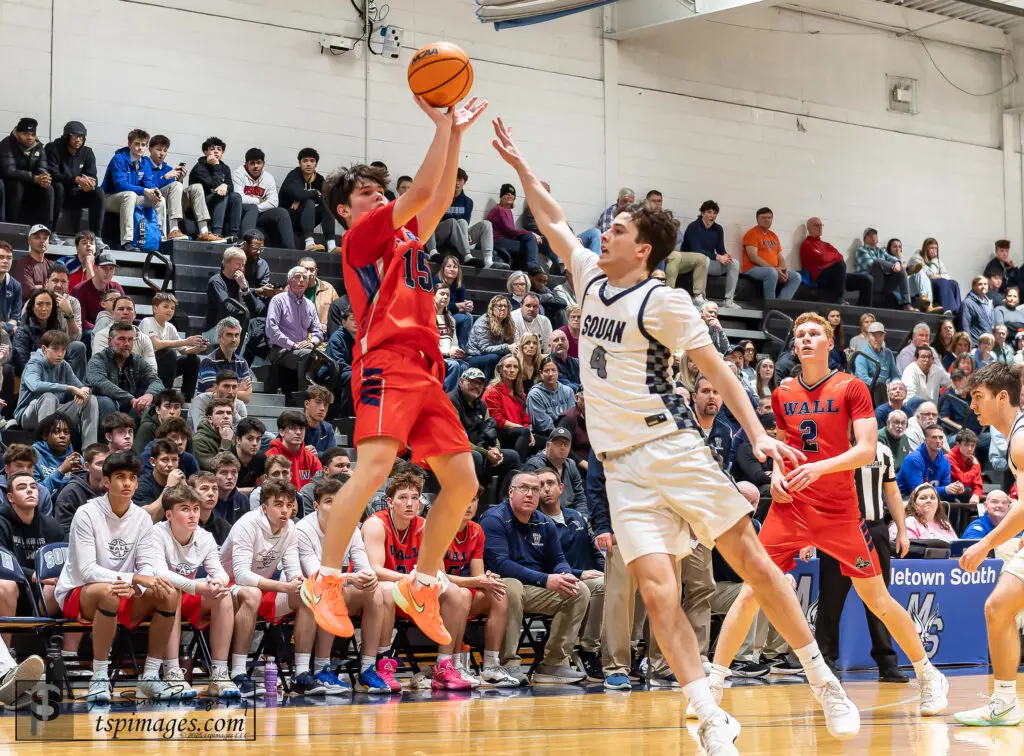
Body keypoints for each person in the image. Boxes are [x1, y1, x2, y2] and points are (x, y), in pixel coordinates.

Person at [493, 120, 865, 746]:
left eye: (617, 229)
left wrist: (757, 435)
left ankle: (821, 679)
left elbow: (717, 370)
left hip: (672, 447)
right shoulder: (588, 274)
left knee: (751, 561)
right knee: (657, 591)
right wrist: (523, 166)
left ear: (642, 249)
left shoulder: (664, 302)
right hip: (619, 466)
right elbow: (553, 218)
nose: (603, 232)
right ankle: (708, 712)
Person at [302, 96, 488, 653]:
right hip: (383, 360)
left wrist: (454, 136)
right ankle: (326, 579)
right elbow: (424, 192)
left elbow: (443, 194)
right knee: (376, 466)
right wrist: (442, 125)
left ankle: (424, 585)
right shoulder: (360, 238)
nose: (378, 195)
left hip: (427, 369)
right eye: (366, 192)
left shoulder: (406, 237)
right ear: (345, 209)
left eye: (381, 191)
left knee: (463, 483)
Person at [708, 312, 948, 723]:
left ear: (830, 340)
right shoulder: (783, 391)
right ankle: (712, 685)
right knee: (752, 591)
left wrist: (818, 468)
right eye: (799, 334)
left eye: (814, 333)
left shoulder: (850, 387)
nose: (804, 339)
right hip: (791, 509)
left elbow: (866, 450)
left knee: (878, 599)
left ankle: (928, 673)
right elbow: (783, 445)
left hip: (839, 511)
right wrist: (780, 476)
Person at [55, 452, 180, 703]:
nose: (127, 483)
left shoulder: (142, 517)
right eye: (120, 477)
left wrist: (138, 584)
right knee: (109, 591)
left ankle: (151, 676)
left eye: (132, 478)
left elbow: (147, 564)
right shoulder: (86, 513)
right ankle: (99, 677)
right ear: (107, 482)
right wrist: (133, 579)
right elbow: (88, 570)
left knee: (168, 594)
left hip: (124, 590)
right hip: (79, 592)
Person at [951, 363, 1024, 724]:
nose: (973, 405)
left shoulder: (1022, 439)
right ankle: (1006, 701)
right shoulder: (1015, 436)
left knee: (998, 608)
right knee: (998, 608)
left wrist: (984, 545)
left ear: (1003, 397)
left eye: (979, 397)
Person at [361, 471, 473, 690]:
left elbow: (439, 571)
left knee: (458, 593)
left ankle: (444, 665)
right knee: (386, 589)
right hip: (378, 593)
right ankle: (384, 664)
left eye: (415, 498)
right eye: (403, 498)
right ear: (390, 501)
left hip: (414, 592)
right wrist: (410, 578)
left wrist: (426, 581)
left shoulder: (425, 525)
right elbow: (375, 570)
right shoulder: (375, 524)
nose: (410, 503)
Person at [480, 471, 590, 685]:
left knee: (579, 591)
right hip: (497, 589)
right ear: (511, 492)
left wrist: (565, 574)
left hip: (534, 588)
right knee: (510, 586)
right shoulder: (494, 519)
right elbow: (500, 564)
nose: (530, 494)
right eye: (524, 488)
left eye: (535, 489)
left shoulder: (545, 523)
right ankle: (508, 663)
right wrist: (546, 580)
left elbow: (557, 558)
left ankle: (553, 663)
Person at [814, 442, 909, 683]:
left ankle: (887, 664)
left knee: (880, 599)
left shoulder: (883, 451)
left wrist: (902, 530)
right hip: (838, 530)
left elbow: (892, 491)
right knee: (831, 599)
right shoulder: (832, 448)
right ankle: (825, 661)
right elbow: (818, 493)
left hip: (875, 528)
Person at [295, 477, 394, 694]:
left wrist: (368, 577)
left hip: (335, 590)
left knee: (374, 591)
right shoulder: (303, 529)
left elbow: (364, 565)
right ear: (316, 505)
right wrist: (350, 578)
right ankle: (322, 669)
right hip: (303, 594)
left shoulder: (351, 529)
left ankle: (367, 670)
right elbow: (315, 574)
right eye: (330, 501)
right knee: (331, 589)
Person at [151, 483, 240, 698]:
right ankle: (172, 672)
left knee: (223, 594)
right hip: (152, 599)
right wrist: (198, 587)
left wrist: (217, 582)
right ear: (169, 514)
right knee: (172, 592)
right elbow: (158, 572)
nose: (193, 515)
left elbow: (220, 571)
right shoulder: (155, 534)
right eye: (185, 509)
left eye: (196, 509)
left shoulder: (204, 537)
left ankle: (219, 675)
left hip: (186, 596)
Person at [219, 478, 303, 697]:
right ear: (264, 508)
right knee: (252, 593)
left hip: (263, 586)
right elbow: (241, 575)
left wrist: (298, 583)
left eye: (289, 504)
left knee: (306, 595)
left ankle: (303, 672)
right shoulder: (248, 524)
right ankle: (238, 672)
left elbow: (293, 569)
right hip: (226, 587)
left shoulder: (291, 528)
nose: (285, 510)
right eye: (278, 504)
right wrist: (285, 586)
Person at [442, 489, 520, 686]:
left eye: (473, 500)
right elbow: (439, 577)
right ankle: (455, 664)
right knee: (461, 595)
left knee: (498, 592)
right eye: (463, 499)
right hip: (437, 594)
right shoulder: (438, 528)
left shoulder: (476, 530)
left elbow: (478, 574)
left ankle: (492, 665)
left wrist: (487, 578)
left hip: (462, 591)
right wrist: (477, 581)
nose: (468, 505)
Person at [534, 465, 605, 681]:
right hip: (563, 581)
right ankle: (588, 651)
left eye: (550, 484)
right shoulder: (534, 522)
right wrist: (579, 573)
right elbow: (541, 563)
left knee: (617, 584)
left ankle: (626, 653)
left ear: (561, 487)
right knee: (601, 586)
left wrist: (608, 572)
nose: (546, 489)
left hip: (589, 578)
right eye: (540, 486)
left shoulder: (577, 517)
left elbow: (597, 551)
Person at [448, 368, 521, 503]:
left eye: (480, 384)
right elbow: (458, 439)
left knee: (512, 457)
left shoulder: (481, 404)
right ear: (461, 381)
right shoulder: (450, 402)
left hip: (479, 448)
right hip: (453, 450)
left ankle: (504, 503)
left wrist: (496, 450)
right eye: (472, 382)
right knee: (475, 457)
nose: (477, 386)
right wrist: (485, 453)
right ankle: (468, 504)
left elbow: (491, 430)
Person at [15, 329, 99, 445]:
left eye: (63, 350)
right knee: (48, 397)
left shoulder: (64, 365)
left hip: (55, 411)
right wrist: (68, 388)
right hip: (28, 415)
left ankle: (90, 452)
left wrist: (85, 390)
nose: (60, 354)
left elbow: (80, 387)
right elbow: (35, 385)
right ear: (44, 349)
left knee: (90, 399)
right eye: (55, 349)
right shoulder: (34, 363)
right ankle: (47, 449)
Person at [142, 134, 218, 242]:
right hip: (153, 198)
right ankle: (173, 229)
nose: (162, 153)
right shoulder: (144, 164)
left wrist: (180, 179)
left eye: (165, 150)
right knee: (176, 185)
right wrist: (166, 177)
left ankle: (204, 231)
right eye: (158, 149)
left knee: (196, 187)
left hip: (171, 201)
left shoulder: (167, 168)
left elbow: (174, 190)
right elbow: (148, 187)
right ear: (150, 149)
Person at [100, 129, 167, 251]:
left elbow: (148, 182)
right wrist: (144, 191)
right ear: (130, 144)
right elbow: (121, 185)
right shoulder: (119, 159)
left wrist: (154, 191)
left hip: (133, 198)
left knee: (160, 200)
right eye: (137, 144)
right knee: (129, 195)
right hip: (110, 198)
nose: (140, 148)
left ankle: (160, 239)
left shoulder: (145, 162)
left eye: (143, 145)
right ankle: (127, 241)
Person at [86, 321, 164, 417]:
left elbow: (156, 381)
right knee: (108, 403)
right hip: (101, 404)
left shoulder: (137, 360)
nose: (127, 344)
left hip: (130, 403)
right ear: (109, 341)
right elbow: (101, 383)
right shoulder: (98, 360)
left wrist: (149, 395)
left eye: (130, 339)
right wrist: (130, 399)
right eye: (122, 339)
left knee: (144, 407)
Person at [45, 120, 104, 238]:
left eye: (81, 137)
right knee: (58, 187)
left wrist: (90, 183)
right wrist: (76, 179)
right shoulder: (53, 148)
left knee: (98, 192)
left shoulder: (87, 152)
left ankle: (96, 237)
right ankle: (51, 232)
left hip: (76, 194)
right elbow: (53, 174)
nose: (78, 140)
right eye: (75, 136)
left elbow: (92, 175)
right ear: (67, 136)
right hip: (58, 194)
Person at [265, 266, 323, 385]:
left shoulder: (310, 305)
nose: (302, 280)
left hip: (303, 348)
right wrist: (293, 345)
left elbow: (318, 330)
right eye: (297, 277)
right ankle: (306, 395)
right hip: (281, 349)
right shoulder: (278, 300)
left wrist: (312, 342)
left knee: (319, 356)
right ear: (289, 281)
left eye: (305, 278)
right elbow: (271, 330)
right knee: (308, 355)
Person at [140, 292, 202, 401]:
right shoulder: (147, 321)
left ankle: (187, 399)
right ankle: (166, 396)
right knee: (169, 353)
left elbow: (185, 351)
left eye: (172, 308)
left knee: (193, 359)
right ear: (155, 309)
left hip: (166, 367)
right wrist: (186, 341)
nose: (170, 310)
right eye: (166, 307)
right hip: (148, 367)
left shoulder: (170, 327)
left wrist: (198, 348)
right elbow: (157, 344)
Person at [680, 200, 740, 309]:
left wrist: (726, 256)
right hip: (691, 263)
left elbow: (720, 249)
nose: (712, 215)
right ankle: (700, 296)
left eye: (714, 213)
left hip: (708, 263)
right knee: (704, 259)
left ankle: (728, 300)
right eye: (709, 212)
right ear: (702, 213)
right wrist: (717, 257)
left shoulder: (718, 229)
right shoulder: (694, 227)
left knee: (734, 263)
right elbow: (695, 250)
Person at [799, 217, 871, 305]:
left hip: (836, 275)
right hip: (819, 277)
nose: (820, 227)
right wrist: (832, 259)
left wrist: (829, 259)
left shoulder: (826, 244)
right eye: (816, 225)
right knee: (840, 265)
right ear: (809, 228)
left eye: (821, 225)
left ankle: (865, 312)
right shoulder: (807, 244)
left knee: (866, 279)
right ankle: (839, 299)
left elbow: (840, 257)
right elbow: (823, 258)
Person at [232, 147, 294, 248]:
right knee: (252, 208)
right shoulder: (238, 174)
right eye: (252, 163)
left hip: (260, 213)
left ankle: (291, 250)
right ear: (246, 164)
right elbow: (239, 198)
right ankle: (246, 246)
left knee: (282, 212)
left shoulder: (268, 177)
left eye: (258, 163)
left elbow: (274, 202)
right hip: (243, 213)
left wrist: (257, 207)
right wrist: (257, 201)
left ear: (263, 164)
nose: (256, 166)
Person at [280, 147, 338, 252]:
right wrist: (314, 193)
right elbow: (299, 194)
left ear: (316, 164)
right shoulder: (294, 175)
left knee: (326, 205)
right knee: (309, 201)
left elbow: (326, 199)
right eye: (305, 161)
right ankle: (309, 242)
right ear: (300, 163)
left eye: (312, 161)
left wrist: (303, 197)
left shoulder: (319, 179)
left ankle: (331, 245)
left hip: (307, 219)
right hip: (290, 218)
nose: (308, 164)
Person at [523, 427, 589, 517]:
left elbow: (580, 497)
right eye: (558, 443)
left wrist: (583, 518)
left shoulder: (571, 464)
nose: (562, 447)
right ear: (548, 445)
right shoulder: (534, 465)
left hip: (571, 515)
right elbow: (529, 500)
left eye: (566, 444)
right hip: (545, 517)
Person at [1, 117, 54, 228]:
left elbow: (42, 167)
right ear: (18, 133)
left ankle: (46, 228)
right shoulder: (7, 143)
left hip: (30, 183)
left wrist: (43, 177)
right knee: (17, 185)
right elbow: (9, 170)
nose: (30, 138)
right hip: (9, 183)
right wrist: (34, 178)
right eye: (25, 134)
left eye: (32, 134)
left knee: (48, 188)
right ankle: (13, 226)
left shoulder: (38, 146)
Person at [188, 137, 242, 241]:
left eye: (219, 149)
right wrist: (216, 166)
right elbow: (214, 185)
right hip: (201, 204)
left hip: (218, 201)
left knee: (236, 196)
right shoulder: (200, 167)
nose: (216, 151)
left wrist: (226, 186)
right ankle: (217, 232)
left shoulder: (225, 168)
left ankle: (234, 234)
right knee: (221, 194)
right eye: (212, 149)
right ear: (205, 152)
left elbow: (231, 187)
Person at [740, 207, 800, 300]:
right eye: (763, 217)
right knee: (771, 273)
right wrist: (775, 269)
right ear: (757, 219)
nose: (767, 220)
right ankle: (770, 304)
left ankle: (780, 304)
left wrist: (782, 269)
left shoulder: (773, 235)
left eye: (769, 217)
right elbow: (753, 257)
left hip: (773, 270)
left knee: (796, 276)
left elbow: (780, 257)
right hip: (752, 269)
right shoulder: (752, 233)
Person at [895, 424, 966, 502]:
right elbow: (918, 492)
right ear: (926, 440)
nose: (938, 441)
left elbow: (945, 491)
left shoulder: (945, 462)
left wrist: (955, 490)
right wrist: (945, 489)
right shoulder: (913, 459)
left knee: (957, 500)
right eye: (934, 437)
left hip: (931, 498)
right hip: (904, 498)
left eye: (940, 437)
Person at [54, 443, 108, 536]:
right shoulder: (70, 492)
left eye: (108, 464)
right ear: (87, 466)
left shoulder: (115, 488)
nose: (106, 468)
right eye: (100, 464)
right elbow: (64, 532)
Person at [854, 228, 912, 309]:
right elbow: (871, 265)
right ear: (865, 239)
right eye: (869, 235)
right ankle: (905, 269)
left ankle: (906, 304)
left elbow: (892, 259)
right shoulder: (861, 250)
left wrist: (898, 263)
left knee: (900, 268)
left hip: (884, 284)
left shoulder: (881, 251)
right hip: (870, 283)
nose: (873, 236)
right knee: (877, 262)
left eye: (874, 234)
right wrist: (892, 266)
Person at [197, 317, 253, 401]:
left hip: (234, 410)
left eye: (236, 335)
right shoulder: (208, 362)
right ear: (220, 337)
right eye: (229, 335)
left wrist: (223, 390)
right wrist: (239, 388)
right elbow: (213, 393)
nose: (234, 339)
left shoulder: (242, 362)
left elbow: (247, 397)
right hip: (209, 410)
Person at [487, 183, 539, 271]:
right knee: (529, 244)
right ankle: (532, 267)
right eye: (506, 194)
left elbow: (512, 232)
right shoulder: (499, 210)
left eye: (512, 194)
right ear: (501, 197)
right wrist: (531, 233)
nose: (510, 196)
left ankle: (532, 266)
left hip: (506, 240)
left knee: (530, 241)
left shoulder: (508, 211)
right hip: (497, 241)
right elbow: (509, 230)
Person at [70, 250, 122, 331]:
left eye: (111, 268)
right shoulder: (79, 290)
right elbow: (80, 320)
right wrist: (99, 331)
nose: (107, 272)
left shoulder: (117, 287)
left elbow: (124, 310)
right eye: (103, 268)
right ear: (95, 268)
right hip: (88, 331)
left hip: (113, 328)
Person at [467, 295, 516, 378]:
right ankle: (487, 386)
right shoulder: (483, 322)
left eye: (505, 306)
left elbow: (510, 343)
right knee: (494, 358)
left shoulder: (509, 323)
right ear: (492, 308)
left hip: (496, 353)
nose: (503, 308)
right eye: (500, 306)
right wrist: (507, 347)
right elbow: (484, 348)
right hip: (476, 356)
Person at [909, 237, 961, 315]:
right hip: (922, 285)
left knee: (953, 283)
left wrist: (939, 275)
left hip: (935, 284)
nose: (934, 251)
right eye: (931, 248)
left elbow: (947, 275)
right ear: (925, 249)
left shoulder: (938, 260)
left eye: (936, 248)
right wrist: (934, 260)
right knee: (942, 282)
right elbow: (930, 275)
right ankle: (947, 310)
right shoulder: (916, 258)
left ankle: (957, 311)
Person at [892, 483, 958, 542]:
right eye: (923, 498)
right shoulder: (908, 522)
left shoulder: (945, 524)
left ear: (938, 504)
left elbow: (957, 546)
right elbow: (910, 550)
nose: (929, 500)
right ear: (914, 504)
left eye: (932, 498)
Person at [527, 357, 575, 437]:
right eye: (546, 371)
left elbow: (572, 417)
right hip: (544, 436)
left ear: (558, 372)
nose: (550, 374)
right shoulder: (535, 394)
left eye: (553, 370)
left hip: (567, 434)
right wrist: (561, 435)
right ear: (541, 373)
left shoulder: (568, 391)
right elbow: (542, 424)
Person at [851, 322, 898, 388]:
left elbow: (895, 375)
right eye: (874, 335)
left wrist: (895, 384)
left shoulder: (888, 353)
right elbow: (862, 379)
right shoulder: (862, 355)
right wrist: (882, 386)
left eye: (880, 335)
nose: (877, 339)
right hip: (871, 391)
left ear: (884, 336)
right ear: (868, 336)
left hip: (888, 390)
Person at [947, 428, 984, 510]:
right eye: (966, 445)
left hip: (968, 495)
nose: (970, 449)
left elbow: (978, 483)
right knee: (966, 491)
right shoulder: (949, 458)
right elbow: (963, 479)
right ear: (958, 444)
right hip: (952, 495)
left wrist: (976, 495)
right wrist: (975, 467)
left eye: (972, 445)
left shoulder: (973, 460)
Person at [13, 224, 52, 296]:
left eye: (45, 238)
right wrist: (47, 287)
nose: (42, 241)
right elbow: (29, 292)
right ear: (29, 241)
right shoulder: (22, 264)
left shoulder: (52, 265)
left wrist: (39, 287)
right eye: (37, 237)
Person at [962, 275, 996, 345]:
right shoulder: (967, 303)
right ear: (973, 286)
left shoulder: (989, 303)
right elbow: (965, 326)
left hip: (988, 344)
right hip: (976, 345)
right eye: (980, 284)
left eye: (985, 284)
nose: (983, 286)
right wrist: (969, 344)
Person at [0, 242, 21, 339]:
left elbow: (15, 317)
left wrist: (6, 327)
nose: (5, 261)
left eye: (9, 258)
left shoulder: (16, 286)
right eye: (1, 257)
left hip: (5, 332)